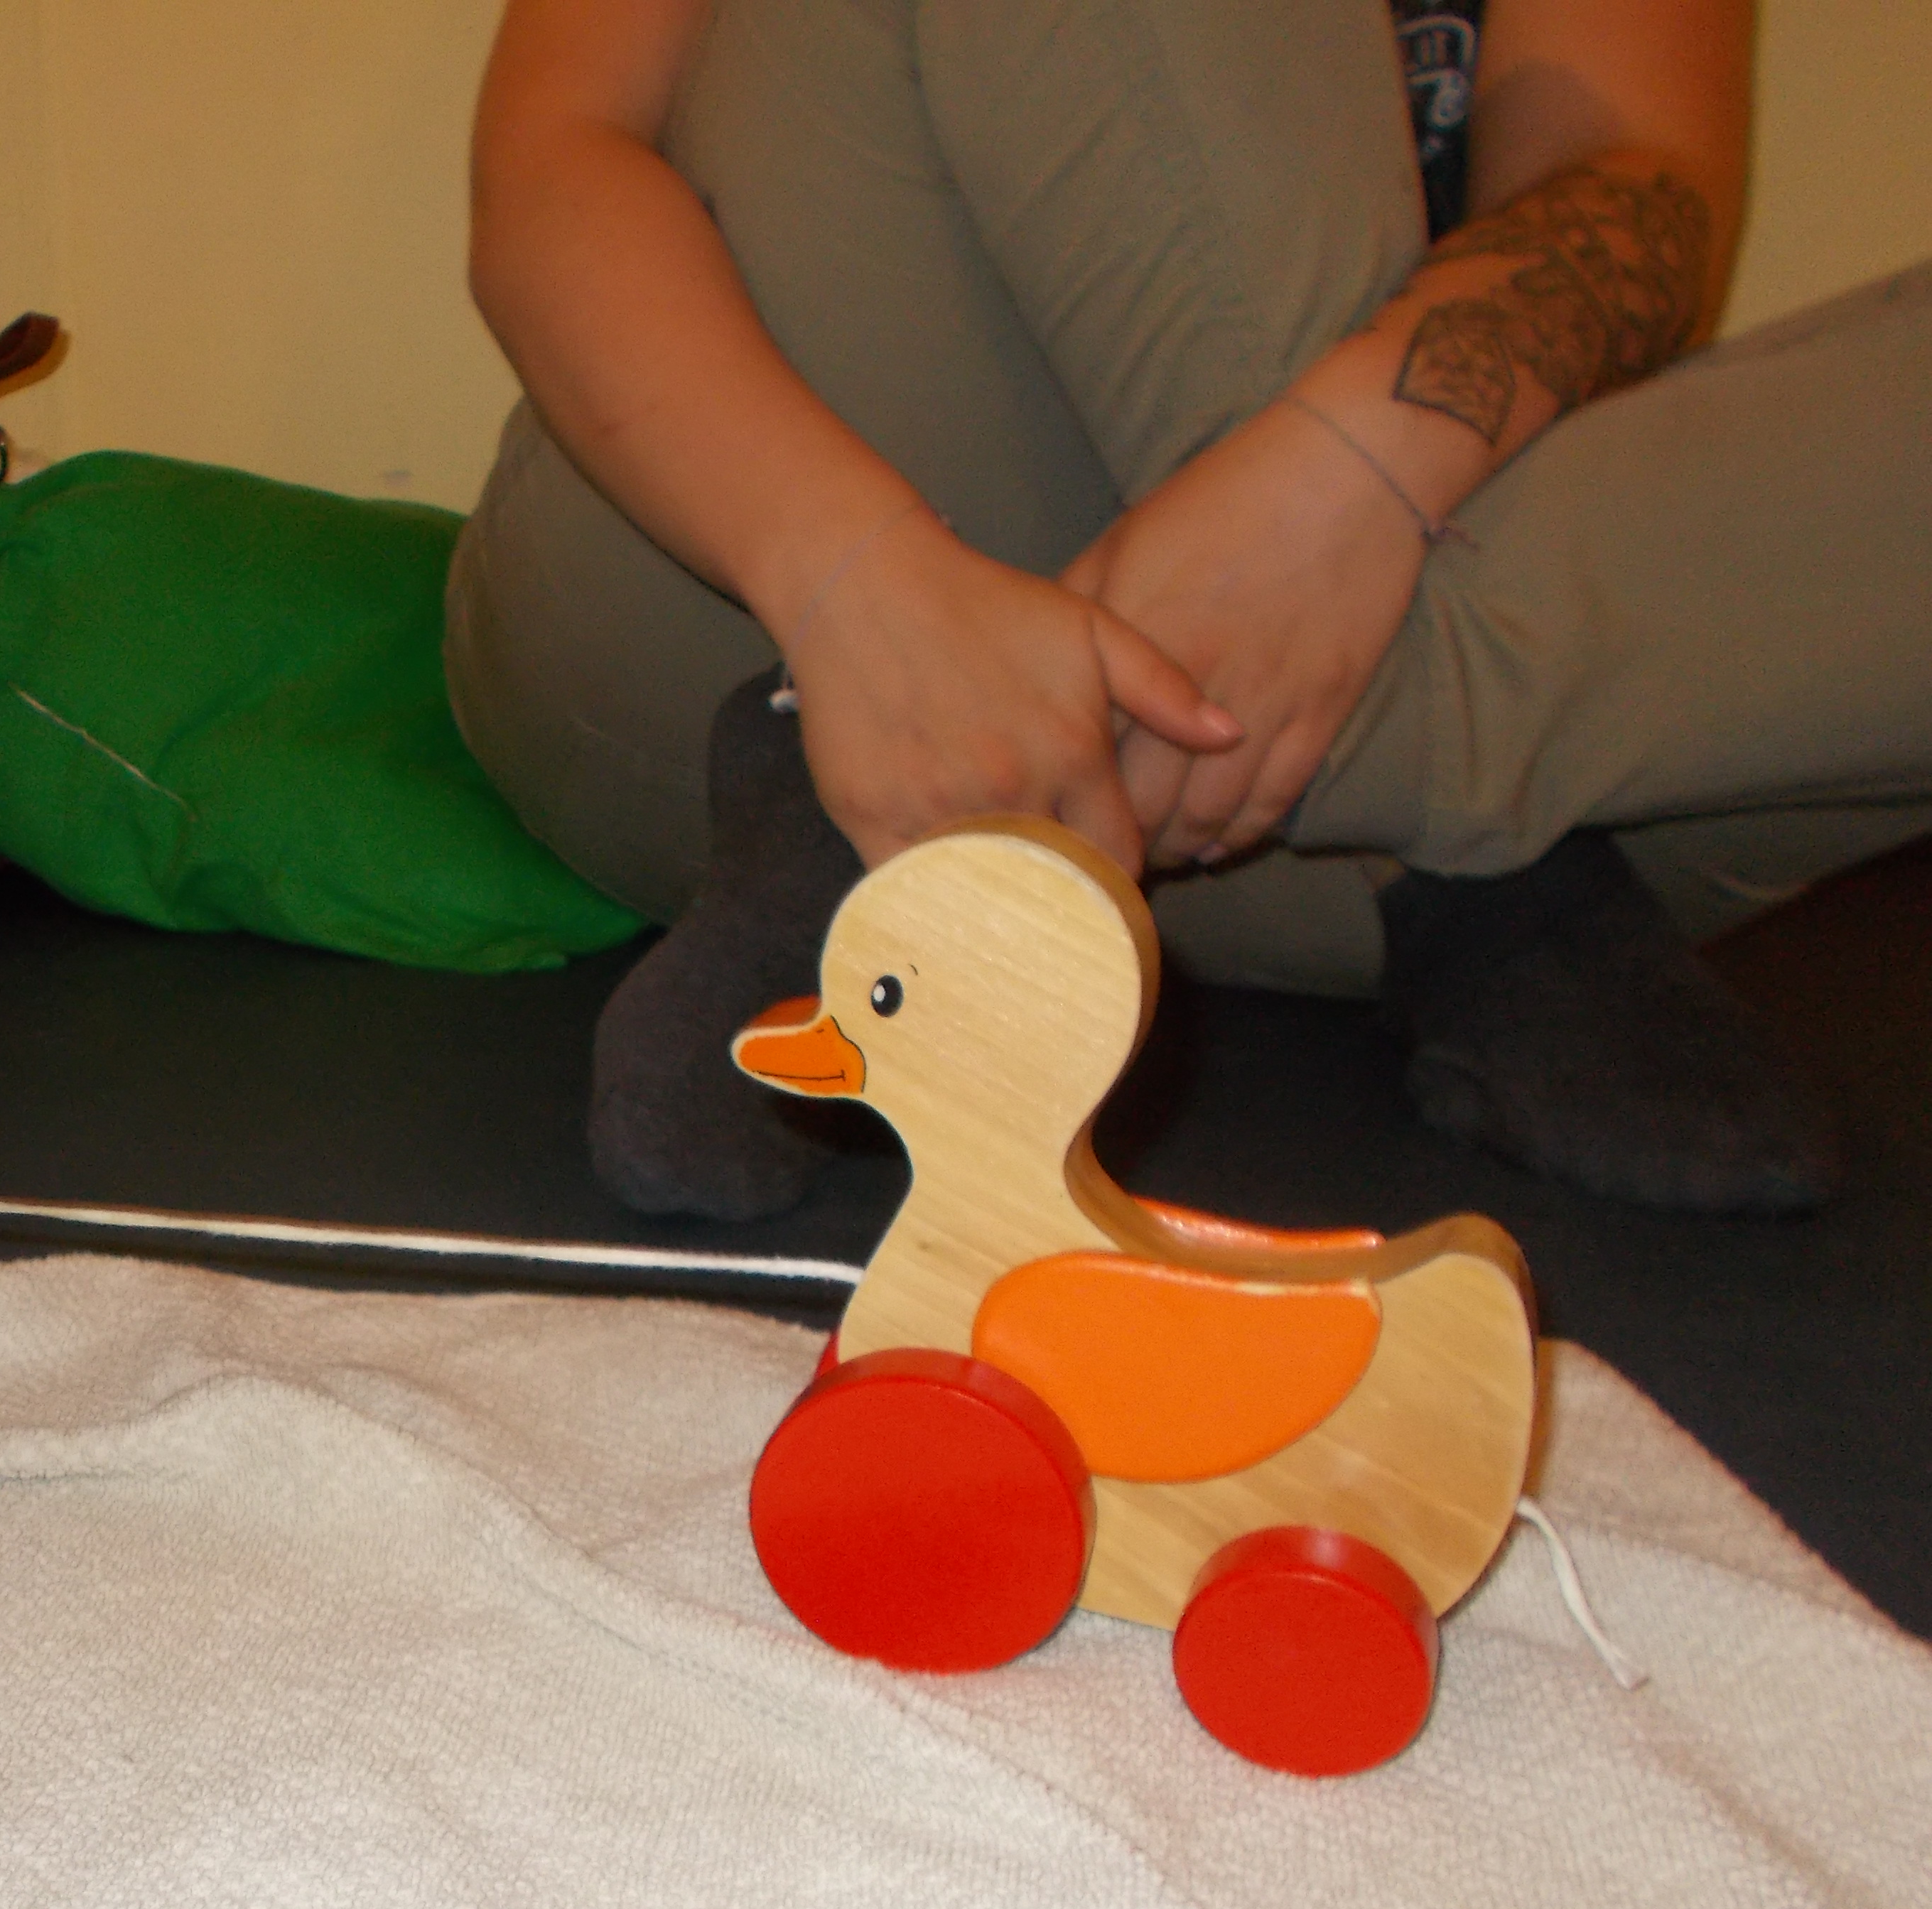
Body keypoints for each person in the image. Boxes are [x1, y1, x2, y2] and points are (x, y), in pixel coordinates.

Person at [447, 0, 1931, 1219]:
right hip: (721, 597)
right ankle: (1476, 837)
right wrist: (854, 582)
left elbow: (1633, 196)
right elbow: (551, 162)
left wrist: (1347, 480)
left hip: (1258, 834)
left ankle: (1400, 781)